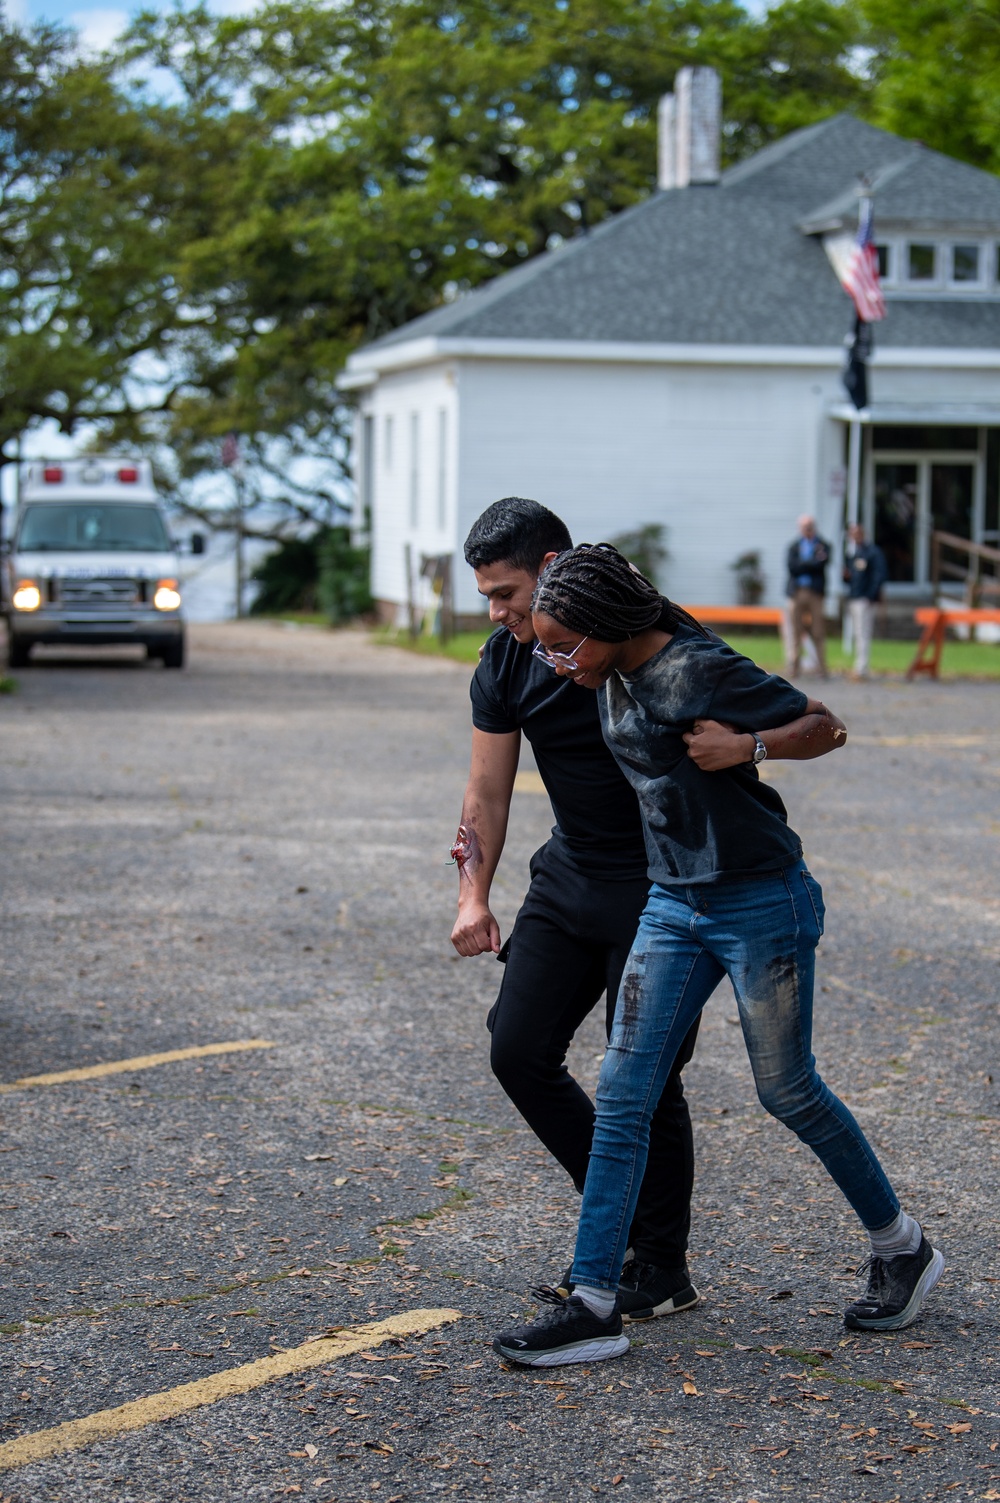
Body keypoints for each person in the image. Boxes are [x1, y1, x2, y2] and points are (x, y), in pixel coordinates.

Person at [493, 543, 943, 1367]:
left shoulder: (698, 668)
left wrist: (752, 748)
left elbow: (826, 724)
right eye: (547, 646)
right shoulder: (609, 674)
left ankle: (902, 1245)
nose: (555, 662)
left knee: (788, 1089)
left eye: (565, 645)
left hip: (759, 899)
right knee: (624, 1091)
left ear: (607, 625)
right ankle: (594, 1300)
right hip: (671, 903)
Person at [453, 498, 846, 1322]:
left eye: (507, 591)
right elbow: (487, 786)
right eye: (487, 595)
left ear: (555, 566)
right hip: (568, 876)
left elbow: (805, 721)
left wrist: (749, 747)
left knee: (647, 1078)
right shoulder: (507, 661)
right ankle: (617, 1220)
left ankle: (659, 1265)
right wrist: (473, 894)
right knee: (516, 1050)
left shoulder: (648, 641)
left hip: (664, 883)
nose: (497, 611)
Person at [785, 516, 832, 677]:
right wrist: (810, 563)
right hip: (797, 592)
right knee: (795, 630)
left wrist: (804, 564)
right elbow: (792, 567)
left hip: (815, 593)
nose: (808, 529)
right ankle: (794, 666)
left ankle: (822, 668)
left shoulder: (823, 545)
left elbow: (821, 565)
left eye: (810, 526)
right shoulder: (794, 546)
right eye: (805, 527)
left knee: (818, 630)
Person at [843, 523, 887, 679]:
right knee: (857, 632)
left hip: (865, 598)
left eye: (858, 533)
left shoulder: (872, 553)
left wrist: (870, 595)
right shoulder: (853, 554)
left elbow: (878, 575)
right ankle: (859, 665)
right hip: (854, 597)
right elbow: (851, 577)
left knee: (863, 632)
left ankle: (862, 667)